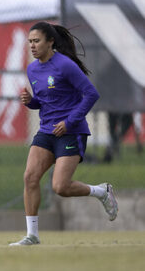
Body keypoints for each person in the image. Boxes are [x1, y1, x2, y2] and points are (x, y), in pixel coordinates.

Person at [11, 22, 118, 246]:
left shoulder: (65, 65)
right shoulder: (32, 69)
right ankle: (32, 235)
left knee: (61, 187)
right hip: (46, 131)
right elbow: (45, 102)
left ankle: (101, 192)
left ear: (50, 42)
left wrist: (69, 123)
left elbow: (91, 94)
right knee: (30, 177)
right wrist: (31, 102)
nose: (32, 46)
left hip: (71, 132)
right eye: (30, 41)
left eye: (36, 41)